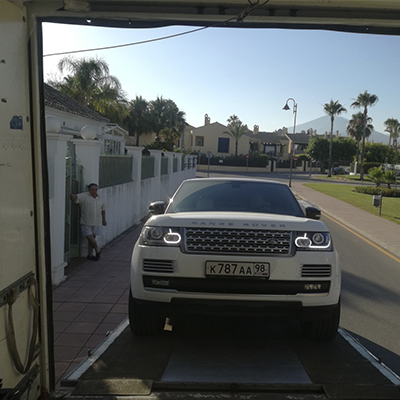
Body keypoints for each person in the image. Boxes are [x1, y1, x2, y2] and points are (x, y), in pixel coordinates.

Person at [70, 183, 107, 261]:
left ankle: (90, 254)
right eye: (92, 189)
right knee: (89, 237)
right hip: (86, 221)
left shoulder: (100, 199)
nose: (94, 191)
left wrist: (104, 219)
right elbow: (75, 197)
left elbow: (103, 210)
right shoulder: (84, 196)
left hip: (96, 221)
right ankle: (97, 249)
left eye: (95, 189)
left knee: (92, 239)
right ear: (89, 190)